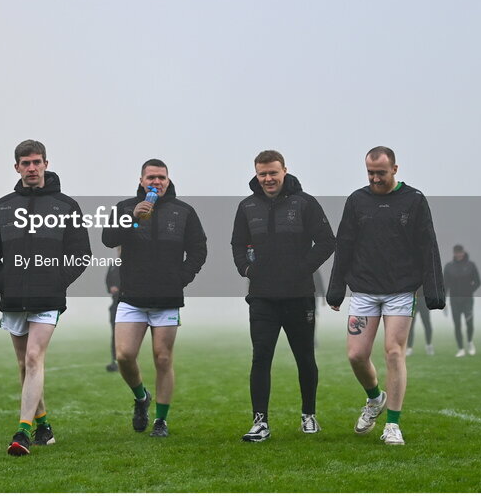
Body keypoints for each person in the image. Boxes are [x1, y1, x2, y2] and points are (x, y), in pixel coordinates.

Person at [326, 146, 445, 446]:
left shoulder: (414, 200)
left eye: (380, 172)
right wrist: (336, 288)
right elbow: (345, 245)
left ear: (395, 169)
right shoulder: (357, 201)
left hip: (401, 291)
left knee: (394, 351)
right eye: (370, 173)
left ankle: (392, 425)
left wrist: (434, 290)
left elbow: (427, 245)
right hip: (364, 290)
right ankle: (375, 397)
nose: (375, 178)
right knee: (356, 355)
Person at [0, 139, 91, 456]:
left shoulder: (65, 205)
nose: (31, 168)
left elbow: (81, 254)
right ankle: (43, 426)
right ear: (16, 167)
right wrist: (1, 281)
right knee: (23, 363)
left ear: (46, 164)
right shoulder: (2, 206)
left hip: (48, 297)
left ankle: (23, 432)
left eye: (37, 162)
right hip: (13, 296)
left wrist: (57, 281)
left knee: (33, 358)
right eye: (25, 163)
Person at [230, 150, 335, 442]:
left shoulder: (305, 203)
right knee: (261, 358)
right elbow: (237, 243)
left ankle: (309, 416)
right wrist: (247, 269)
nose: (268, 178)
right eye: (262, 173)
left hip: (299, 296)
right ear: (256, 173)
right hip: (262, 297)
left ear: (284, 171)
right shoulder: (247, 206)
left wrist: (302, 269)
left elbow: (328, 241)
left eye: (273, 172)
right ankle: (260, 422)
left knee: (305, 357)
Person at [102, 158, 207, 439]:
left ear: (168, 180)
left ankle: (160, 420)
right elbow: (108, 239)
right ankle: (141, 398)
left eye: (161, 177)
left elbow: (198, 250)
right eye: (151, 177)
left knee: (162, 358)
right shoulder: (124, 208)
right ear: (141, 181)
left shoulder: (183, 211)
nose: (156, 182)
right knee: (124, 356)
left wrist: (181, 278)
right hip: (131, 297)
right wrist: (133, 218)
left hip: (167, 299)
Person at [444, 244, 481, 357]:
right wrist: (443, 301)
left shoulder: (471, 265)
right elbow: (445, 285)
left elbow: (478, 282)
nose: (459, 254)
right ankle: (460, 348)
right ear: (454, 253)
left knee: (469, 323)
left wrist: (469, 291)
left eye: (460, 252)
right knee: (457, 325)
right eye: (456, 252)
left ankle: (470, 342)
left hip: (467, 300)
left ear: (463, 252)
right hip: (454, 301)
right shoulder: (449, 267)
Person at [406, 286, 434, 356]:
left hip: (423, 299)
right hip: (412, 299)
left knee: (427, 323)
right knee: (410, 325)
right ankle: (409, 348)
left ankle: (429, 345)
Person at [105, 260, 121, 372]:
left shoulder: (134, 262)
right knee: (114, 334)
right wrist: (111, 287)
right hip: (115, 304)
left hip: (128, 303)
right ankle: (115, 361)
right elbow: (107, 280)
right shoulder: (114, 265)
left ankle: (127, 360)